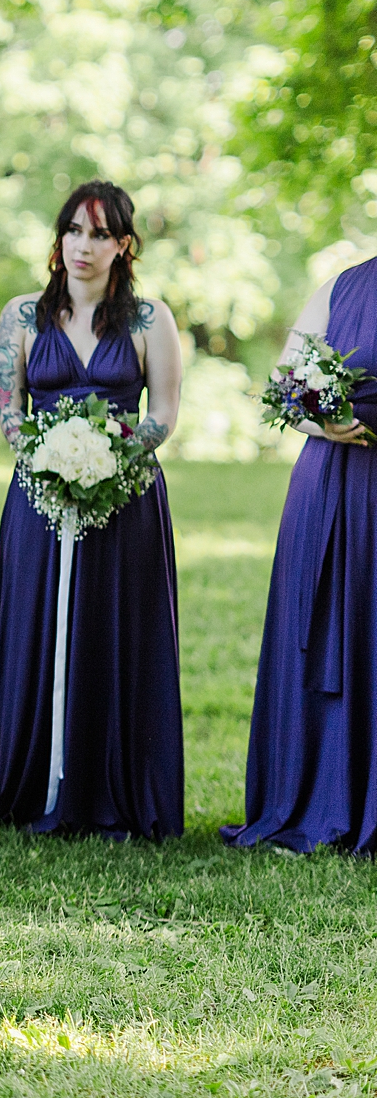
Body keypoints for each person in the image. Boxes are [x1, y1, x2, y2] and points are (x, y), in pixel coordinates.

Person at [0, 181, 185, 840]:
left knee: (116, 631)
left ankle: (114, 787)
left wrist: (108, 457)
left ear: (123, 245)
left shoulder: (148, 320)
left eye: (100, 233)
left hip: (126, 498)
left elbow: (162, 414)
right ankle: (31, 785)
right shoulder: (21, 316)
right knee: (37, 627)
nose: (85, 245)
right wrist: (48, 459)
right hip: (39, 496)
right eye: (74, 231)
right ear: (58, 241)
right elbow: (7, 407)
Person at [224, 254, 377, 853]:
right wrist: (324, 420)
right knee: (324, 635)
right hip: (331, 483)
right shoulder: (341, 287)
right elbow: (286, 384)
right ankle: (320, 797)